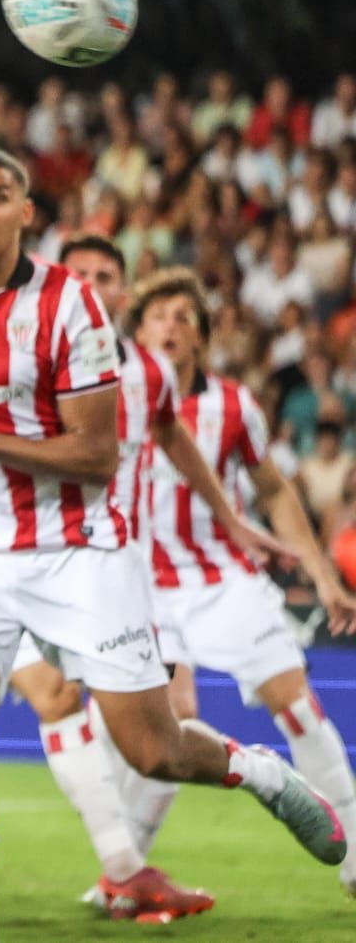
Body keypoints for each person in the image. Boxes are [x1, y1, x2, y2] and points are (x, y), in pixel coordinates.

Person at [0, 149, 346, 943]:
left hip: (81, 546)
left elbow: (98, 456)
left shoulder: (70, 306)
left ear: (29, 214)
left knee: (154, 749)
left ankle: (256, 769)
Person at [4, 234, 290, 921]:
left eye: (107, 275)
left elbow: (176, 441)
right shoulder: (12, 346)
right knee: (34, 698)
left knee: (170, 723)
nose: (93, 284)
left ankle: (124, 866)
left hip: (112, 569)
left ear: (123, 296)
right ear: (54, 278)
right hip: (4, 556)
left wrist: (232, 519)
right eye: (80, 272)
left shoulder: (145, 373)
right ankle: (121, 868)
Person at [130, 265, 356, 896]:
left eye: (184, 318)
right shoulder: (111, 396)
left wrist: (322, 574)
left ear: (201, 336)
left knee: (299, 706)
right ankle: (124, 870)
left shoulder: (233, 404)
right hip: (143, 585)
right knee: (165, 725)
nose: (170, 327)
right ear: (138, 328)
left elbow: (273, 492)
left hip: (224, 577)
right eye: (158, 315)